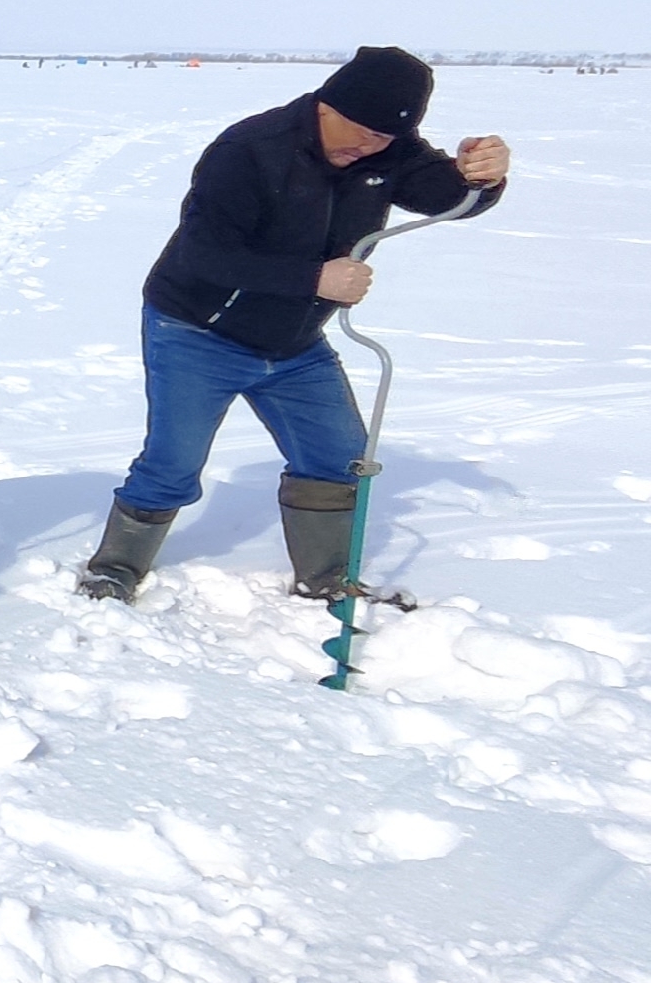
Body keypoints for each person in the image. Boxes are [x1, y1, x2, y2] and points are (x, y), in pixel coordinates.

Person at [80, 46, 510, 604]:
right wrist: (314, 279)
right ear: (327, 105)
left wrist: (482, 179)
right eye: (362, 132)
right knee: (174, 461)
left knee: (341, 457)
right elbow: (204, 255)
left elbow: (447, 197)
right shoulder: (249, 150)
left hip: (295, 344)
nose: (369, 147)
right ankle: (114, 570)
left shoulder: (389, 150)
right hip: (196, 332)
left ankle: (325, 578)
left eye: (384, 139)